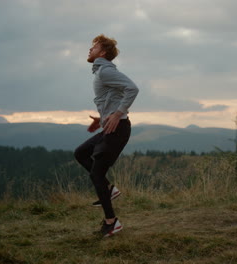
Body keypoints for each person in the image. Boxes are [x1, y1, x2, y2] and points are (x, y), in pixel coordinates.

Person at [74, 34, 139, 237]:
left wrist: (118, 113)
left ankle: (112, 222)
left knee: (96, 174)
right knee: (81, 153)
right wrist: (101, 119)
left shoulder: (105, 71)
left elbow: (133, 88)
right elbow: (113, 97)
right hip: (110, 127)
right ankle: (109, 189)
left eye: (93, 47)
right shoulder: (102, 72)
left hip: (118, 129)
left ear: (102, 52)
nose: (89, 50)